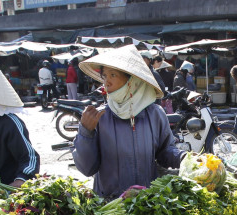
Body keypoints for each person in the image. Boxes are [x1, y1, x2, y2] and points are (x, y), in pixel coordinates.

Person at [73, 44, 185, 199]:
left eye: (113, 75)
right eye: (105, 76)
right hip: (110, 207)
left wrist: (186, 158)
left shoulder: (155, 114)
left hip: (147, 205)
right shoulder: (100, 117)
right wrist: (85, 132)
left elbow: (165, 153)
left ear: (132, 79)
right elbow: (87, 168)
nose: (106, 82)